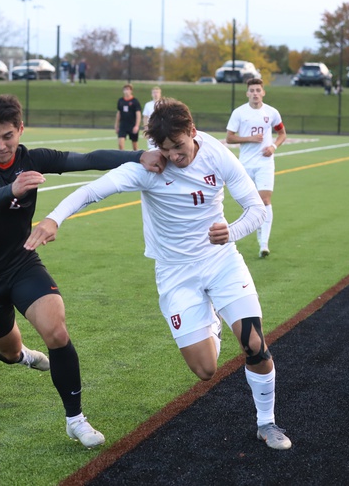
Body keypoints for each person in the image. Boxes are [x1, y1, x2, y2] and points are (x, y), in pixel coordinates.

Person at [26, 97, 292, 451]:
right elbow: (91, 191)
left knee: (254, 343)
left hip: (221, 261)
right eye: (165, 149)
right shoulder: (148, 167)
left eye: (179, 146)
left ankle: (267, 423)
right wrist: (53, 219)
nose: (173, 156)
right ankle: (211, 322)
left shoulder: (217, 154)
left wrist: (232, 231)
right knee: (205, 370)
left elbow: (256, 208)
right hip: (175, 273)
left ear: (192, 131)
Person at [0, 94, 164, 448]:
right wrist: (11, 189)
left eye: (8, 136)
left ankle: (75, 420)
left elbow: (88, 159)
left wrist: (139, 155)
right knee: (8, 352)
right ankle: (22, 355)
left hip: (21, 261)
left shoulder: (32, 158)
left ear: (21, 129)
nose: (1, 145)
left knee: (56, 330)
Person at [225, 78, 287, 258]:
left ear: (263, 92)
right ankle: (256, 231)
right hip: (245, 164)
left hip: (265, 163)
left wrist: (273, 146)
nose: (255, 93)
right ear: (247, 93)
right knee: (251, 203)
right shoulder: (239, 113)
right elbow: (229, 138)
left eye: (258, 90)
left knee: (265, 200)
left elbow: (282, 133)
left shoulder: (272, 112)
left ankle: (264, 243)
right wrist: (249, 139)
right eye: (252, 90)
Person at [115, 83, 142, 151]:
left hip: (132, 125)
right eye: (125, 90)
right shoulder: (120, 101)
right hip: (123, 125)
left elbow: (138, 114)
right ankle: (122, 156)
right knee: (120, 143)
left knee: (135, 146)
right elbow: (119, 113)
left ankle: (136, 156)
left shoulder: (135, 101)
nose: (126, 91)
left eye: (128, 89)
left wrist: (137, 126)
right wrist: (116, 125)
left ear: (131, 91)